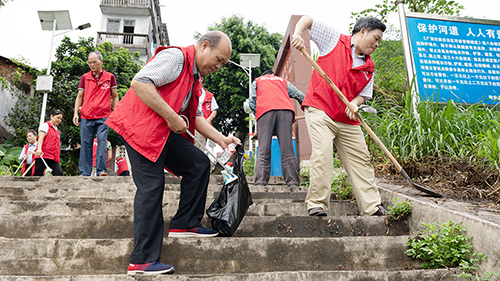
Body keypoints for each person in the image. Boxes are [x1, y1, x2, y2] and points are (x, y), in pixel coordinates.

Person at [106, 30, 237, 275]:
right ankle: (141, 260)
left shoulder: (195, 80)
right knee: (152, 186)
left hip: (163, 132)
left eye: (223, 64)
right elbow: (140, 83)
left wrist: (221, 139)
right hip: (140, 128)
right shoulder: (177, 58)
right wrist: (171, 116)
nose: (219, 66)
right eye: (218, 59)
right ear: (204, 46)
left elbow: (196, 118)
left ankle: (185, 223)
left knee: (198, 163)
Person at [291, 16, 388, 216]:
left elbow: (363, 95)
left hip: (347, 119)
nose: (377, 44)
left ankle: (372, 206)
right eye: (375, 38)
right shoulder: (335, 39)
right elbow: (308, 19)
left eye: (379, 41)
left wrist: (354, 103)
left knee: (361, 158)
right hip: (321, 108)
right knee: (323, 152)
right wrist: (298, 34)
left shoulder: (369, 67)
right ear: (362, 31)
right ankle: (317, 203)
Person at [249, 70, 305, 190]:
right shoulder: (282, 81)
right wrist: (307, 108)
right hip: (285, 111)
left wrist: (258, 116)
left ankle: (260, 184)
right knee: (287, 149)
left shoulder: (257, 81)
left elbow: (252, 101)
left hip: (265, 111)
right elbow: (299, 95)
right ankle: (293, 183)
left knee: (263, 149)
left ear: (264, 75)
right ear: (273, 75)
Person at [73, 51, 118, 177]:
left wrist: (116, 112)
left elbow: (115, 96)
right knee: (86, 143)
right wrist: (76, 113)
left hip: (104, 116)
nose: (92, 65)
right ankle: (84, 172)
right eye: (89, 63)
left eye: (94, 62)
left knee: (102, 142)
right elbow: (79, 96)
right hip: (86, 115)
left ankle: (101, 171)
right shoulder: (85, 77)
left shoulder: (110, 77)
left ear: (101, 61)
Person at [33, 109, 64, 176]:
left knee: (58, 173)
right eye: (58, 118)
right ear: (51, 116)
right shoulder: (45, 125)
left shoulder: (57, 130)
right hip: (43, 155)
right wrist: (39, 149)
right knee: (38, 174)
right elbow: (41, 138)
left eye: (60, 119)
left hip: (53, 157)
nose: (59, 120)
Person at [194, 77, 219, 150]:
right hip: (195, 124)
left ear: (201, 79)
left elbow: (214, 111)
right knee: (198, 146)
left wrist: (208, 120)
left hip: (206, 125)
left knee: (205, 147)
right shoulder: (191, 92)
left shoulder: (209, 95)